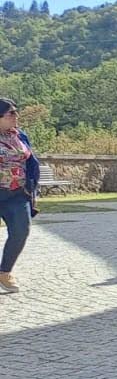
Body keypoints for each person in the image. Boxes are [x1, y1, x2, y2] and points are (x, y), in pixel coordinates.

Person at [0, 99, 39, 294]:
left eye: (16, 112)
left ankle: (5, 272)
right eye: (11, 113)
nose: (16, 116)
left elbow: (31, 161)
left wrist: (31, 187)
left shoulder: (20, 136)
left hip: (17, 193)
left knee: (21, 231)